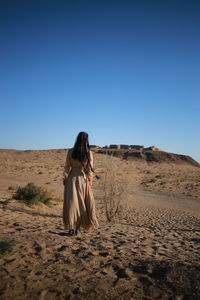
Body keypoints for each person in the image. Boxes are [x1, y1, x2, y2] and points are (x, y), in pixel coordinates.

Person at [63, 132, 98, 235]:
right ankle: (78, 229)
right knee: (82, 203)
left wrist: (65, 179)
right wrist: (89, 181)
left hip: (72, 179)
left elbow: (66, 167)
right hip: (83, 180)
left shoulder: (70, 151)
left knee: (72, 203)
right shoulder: (88, 153)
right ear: (87, 140)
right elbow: (89, 170)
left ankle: (71, 228)